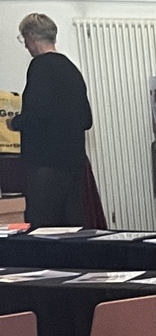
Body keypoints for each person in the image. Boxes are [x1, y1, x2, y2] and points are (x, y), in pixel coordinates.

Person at [7, 14, 93, 226]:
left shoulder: (40, 66)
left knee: (43, 225)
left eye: (24, 39)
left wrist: (14, 123)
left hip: (45, 163)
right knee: (71, 224)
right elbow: (86, 119)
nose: (25, 45)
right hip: (74, 161)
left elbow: (36, 114)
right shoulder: (71, 69)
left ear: (32, 36)